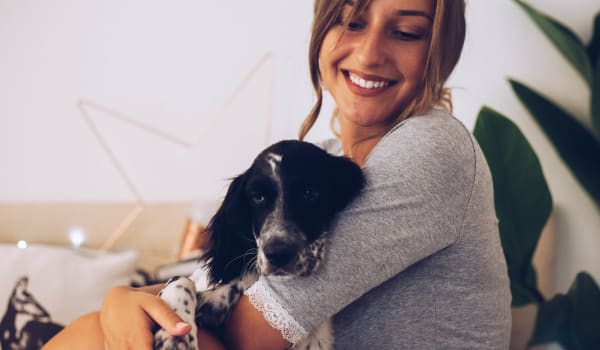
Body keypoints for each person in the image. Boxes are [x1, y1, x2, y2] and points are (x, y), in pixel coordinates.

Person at [45, 0, 512, 349]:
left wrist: (132, 307)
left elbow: (252, 334)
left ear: (442, 48)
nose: (370, 54)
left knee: (100, 336)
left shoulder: (429, 148)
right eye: (352, 21)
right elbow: (232, 289)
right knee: (102, 329)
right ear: (322, 30)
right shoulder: (325, 162)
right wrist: (125, 299)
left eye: (407, 31)